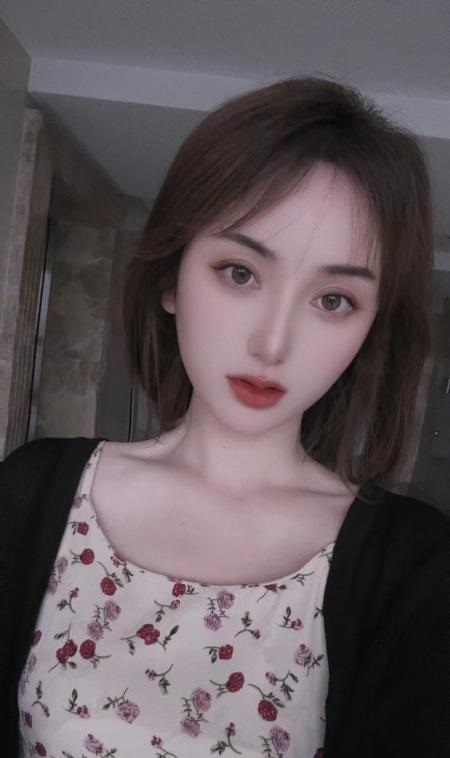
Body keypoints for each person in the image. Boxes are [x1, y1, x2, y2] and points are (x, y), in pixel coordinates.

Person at [0, 77, 448, 758]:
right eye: (240, 272)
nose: (273, 343)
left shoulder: (416, 568)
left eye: (333, 300)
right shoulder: (31, 495)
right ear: (170, 279)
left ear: (369, 329)